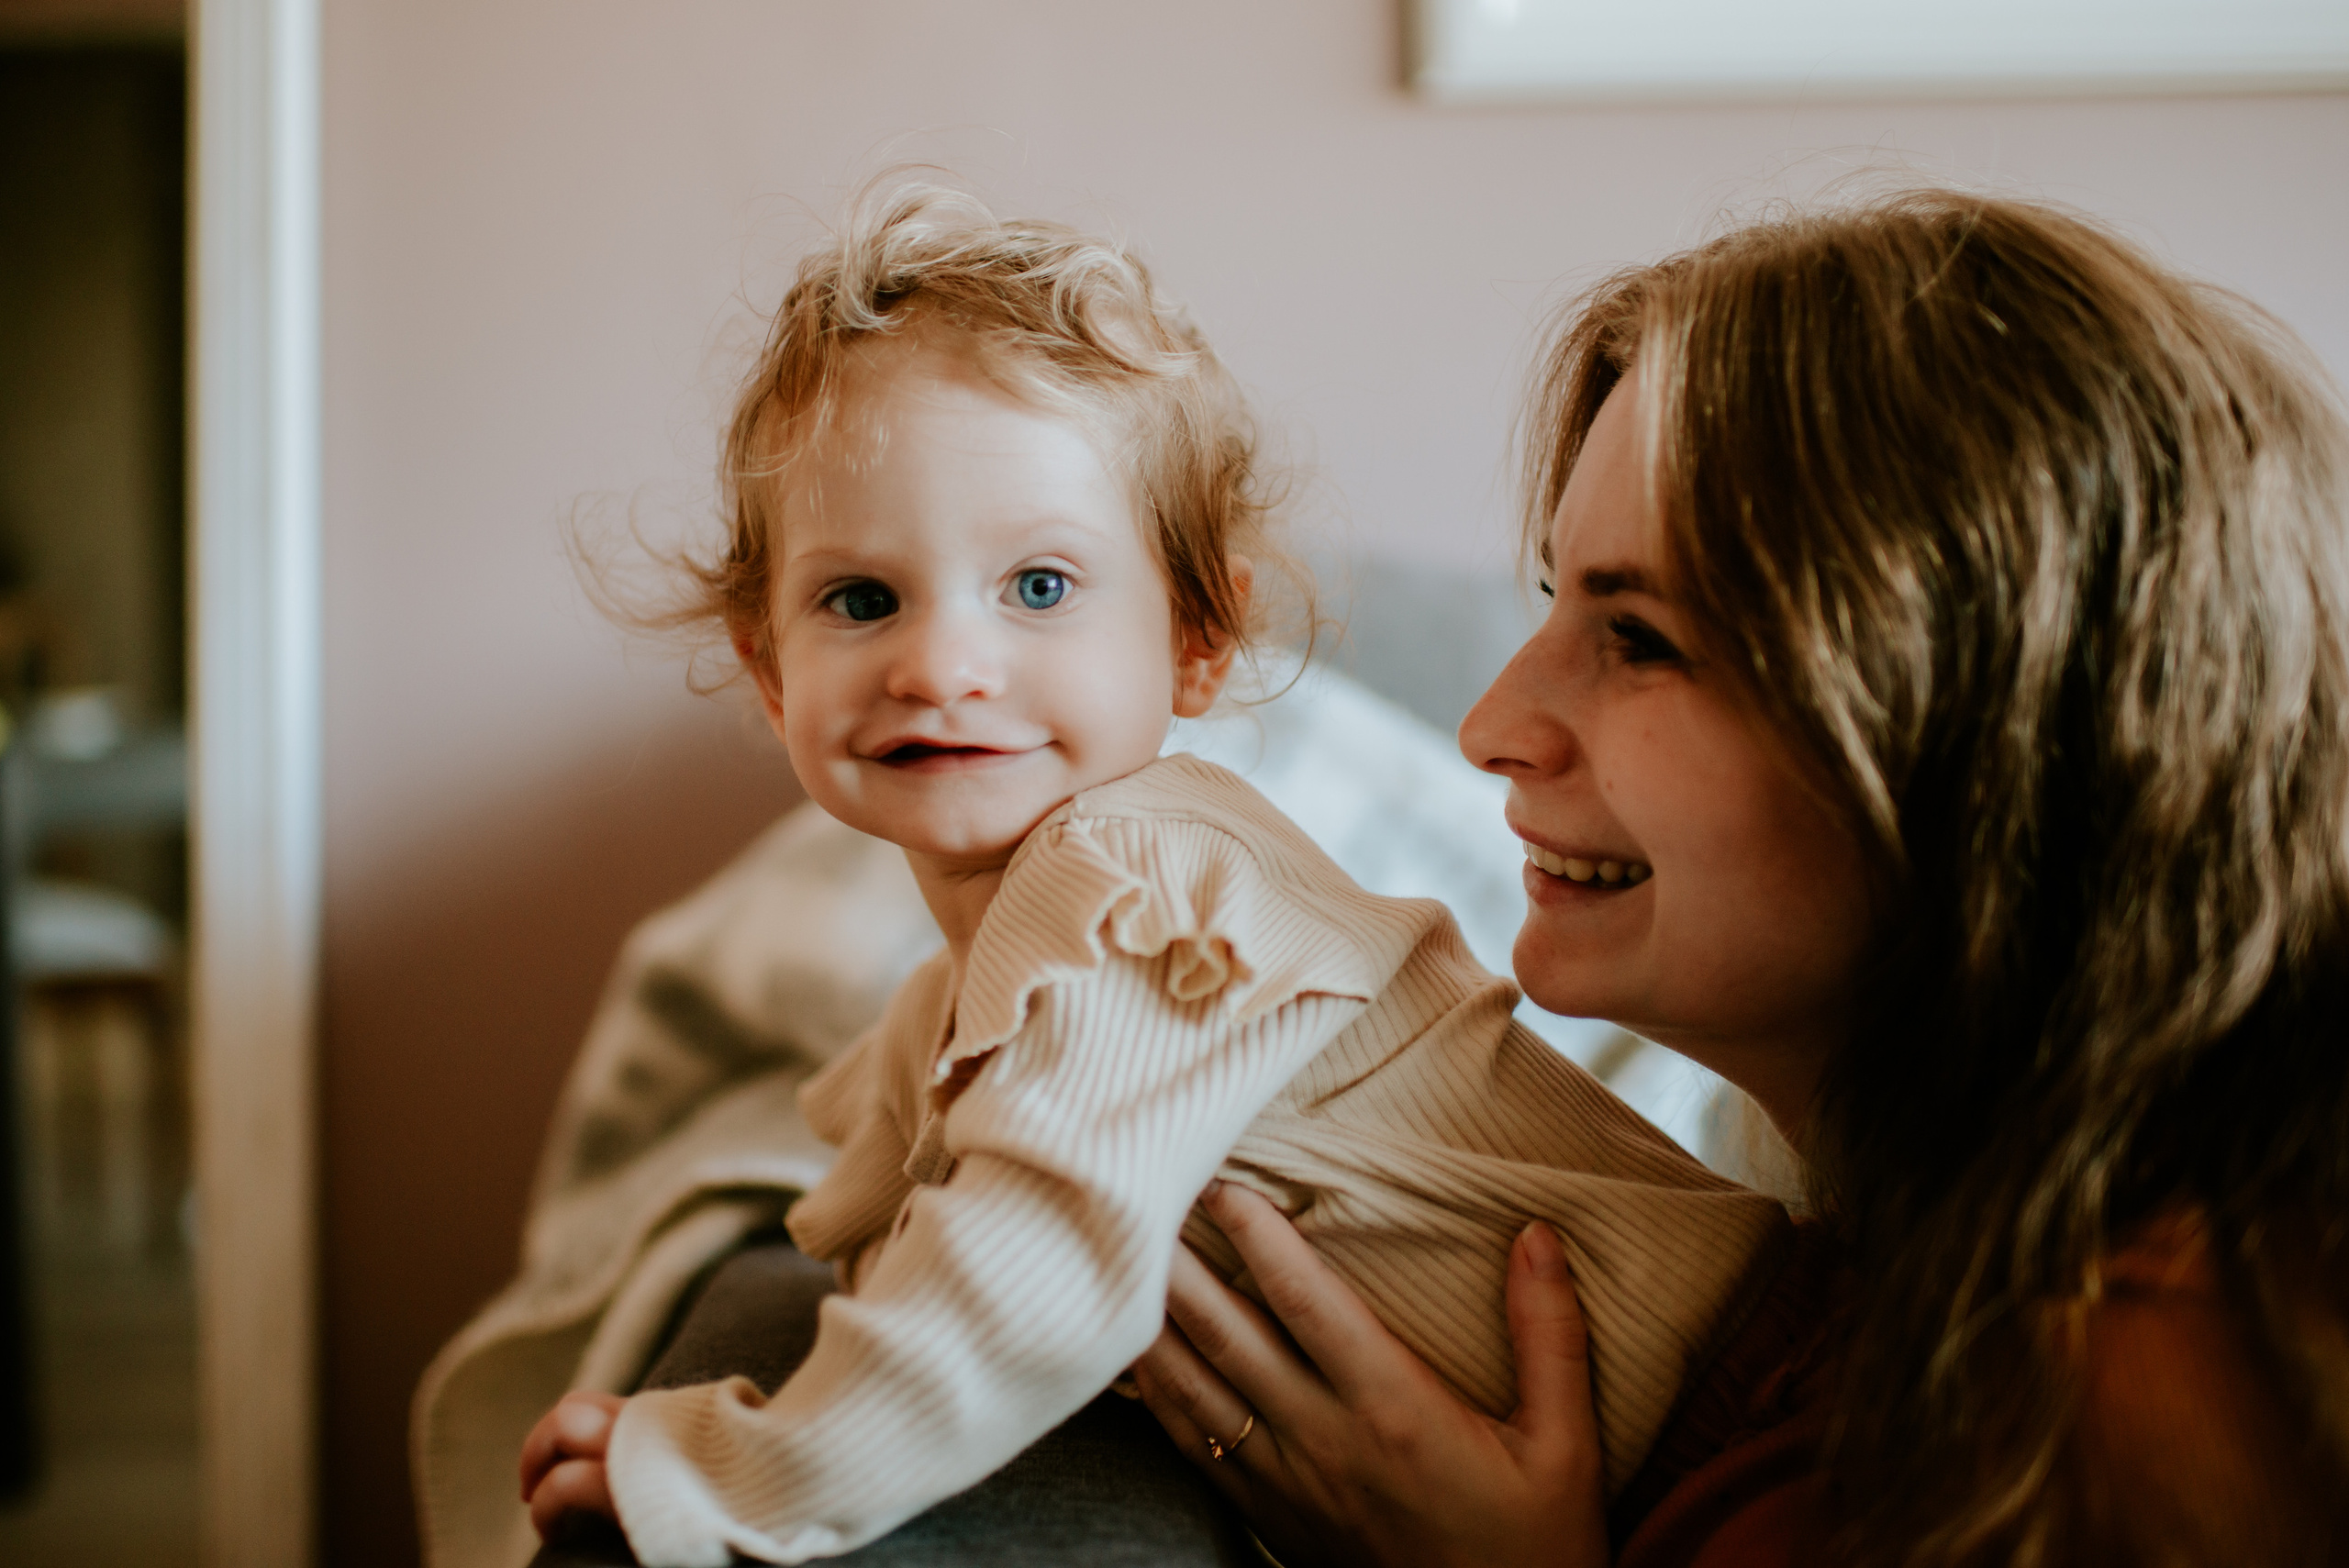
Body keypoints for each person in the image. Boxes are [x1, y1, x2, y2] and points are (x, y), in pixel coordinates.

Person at [515, 185, 1792, 1567]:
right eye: (862, 600)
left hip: (1750, 1407)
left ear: (1197, 638)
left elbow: (1029, 1273)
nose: (941, 664)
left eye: (1041, 587)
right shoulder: (961, 990)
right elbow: (898, 1179)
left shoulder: (1134, 873)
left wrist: (735, 1462)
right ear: (770, 671)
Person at [1129, 188, 2349, 1567]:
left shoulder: (2151, 1392)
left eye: (1640, 635)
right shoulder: (1880, 1249)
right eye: (1555, 602)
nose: (1492, 728)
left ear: (1977, 719)